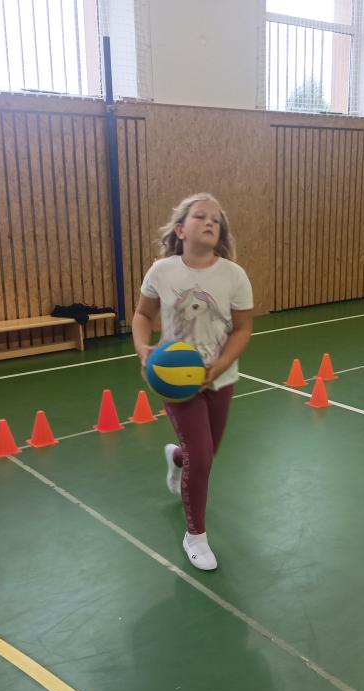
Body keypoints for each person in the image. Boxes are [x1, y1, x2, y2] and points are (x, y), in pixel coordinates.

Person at [132, 194, 254, 571]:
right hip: (177, 381)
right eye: (200, 216)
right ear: (181, 230)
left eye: (215, 219)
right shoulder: (162, 271)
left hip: (220, 378)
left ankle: (176, 458)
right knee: (201, 457)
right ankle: (195, 536)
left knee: (204, 454)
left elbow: (243, 328)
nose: (209, 222)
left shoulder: (234, 275)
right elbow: (142, 315)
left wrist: (221, 365)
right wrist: (143, 350)